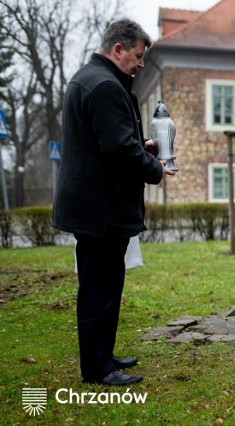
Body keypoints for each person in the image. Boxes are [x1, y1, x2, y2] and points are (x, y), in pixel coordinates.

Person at [53, 19, 175, 385]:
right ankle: (97, 369)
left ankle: (103, 355)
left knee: (106, 286)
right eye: (137, 56)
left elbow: (108, 143)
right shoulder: (105, 85)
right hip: (100, 209)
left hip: (96, 207)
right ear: (117, 49)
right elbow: (118, 150)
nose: (140, 64)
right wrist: (154, 167)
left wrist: (143, 147)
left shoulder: (88, 78)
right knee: (99, 290)